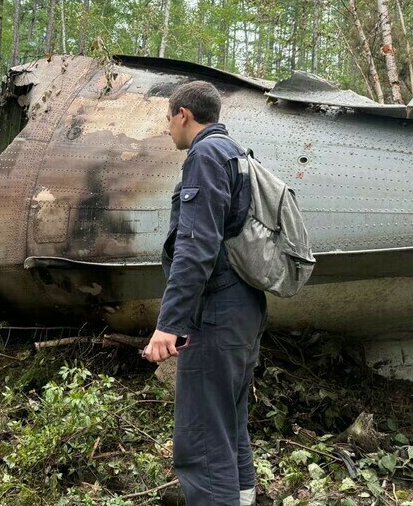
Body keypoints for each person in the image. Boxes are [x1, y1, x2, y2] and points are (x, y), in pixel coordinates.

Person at [143, 81, 267, 506]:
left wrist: (169, 324)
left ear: (183, 115)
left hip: (216, 312)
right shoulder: (235, 151)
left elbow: (195, 248)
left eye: (168, 119)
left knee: (201, 439)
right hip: (243, 307)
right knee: (228, 424)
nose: (168, 129)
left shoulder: (205, 154)